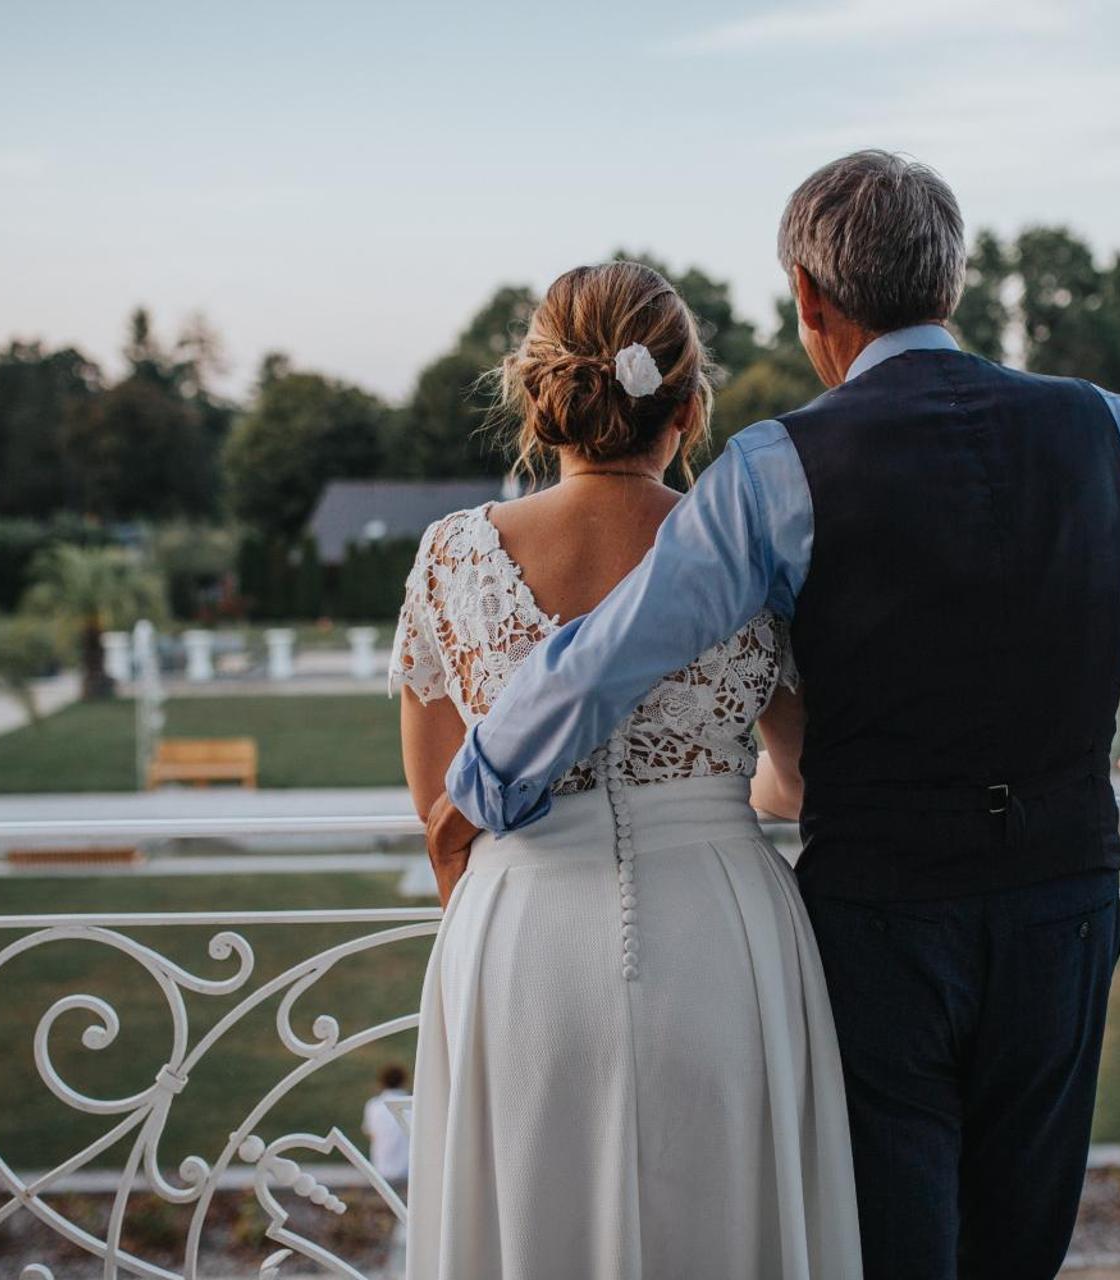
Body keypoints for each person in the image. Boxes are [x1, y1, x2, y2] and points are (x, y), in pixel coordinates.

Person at [429, 151, 1120, 1278]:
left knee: (893, 1246)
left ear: (809, 297)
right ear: (951, 283)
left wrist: (483, 781)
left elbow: (611, 655)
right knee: (1018, 1241)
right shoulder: (1103, 428)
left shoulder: (777, 467)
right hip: (1063, 903)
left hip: (882, 920)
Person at [394, 261, 862, 1280]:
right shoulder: (752, 553)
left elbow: (439, 805)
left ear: (537, 402)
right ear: (689, 409)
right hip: (723, 935)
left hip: (521, 939)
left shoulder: (453, 556)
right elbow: (802, 771)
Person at [362, 1063, 411, 1194]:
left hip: (381, 1169)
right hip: (409, 1170)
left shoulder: (373, 1105)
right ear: (404, 1081)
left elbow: (371, 1134)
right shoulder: (412, 1105)